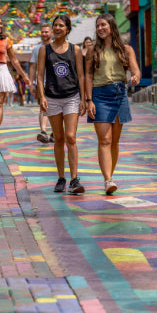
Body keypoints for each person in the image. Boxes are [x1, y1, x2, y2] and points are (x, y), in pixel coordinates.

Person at [84, 13, 141, 195]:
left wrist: (135, 77)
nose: (100, 28)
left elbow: (135, 70)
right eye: (98, 26)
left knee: (115, 141)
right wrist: (89, 99)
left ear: (111, 27)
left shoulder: (126, 49)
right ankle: (108, 180)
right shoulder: (93, 51)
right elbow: (89, 76)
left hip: (119, 93)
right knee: (105, 139)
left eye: (103, 25)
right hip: (100, 95)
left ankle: (110, 176)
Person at [37, 15, 87, 194]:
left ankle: (74, 179)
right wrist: (41, 96)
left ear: (67, 29)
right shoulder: (45, 50)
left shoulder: (75, 50)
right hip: (52, 98)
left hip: (71, 97)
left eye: (61, 25)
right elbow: (40, 75)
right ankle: (61, 178)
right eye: (55, 25)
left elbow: (81, 75)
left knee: (71, 137)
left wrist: (83, 98)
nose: (57, 28)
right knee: (58, 139)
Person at [29, 24, 54, 143]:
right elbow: (32, 67)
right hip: (41, 82)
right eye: (42, 32)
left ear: (51, 33)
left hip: (56, 82)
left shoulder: (57, 46)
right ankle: (43, 132)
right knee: (43, 106)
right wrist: (30, 83)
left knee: (56, 107)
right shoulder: (36, 49)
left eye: (46, 32)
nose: (44, 34)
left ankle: (55, 131)